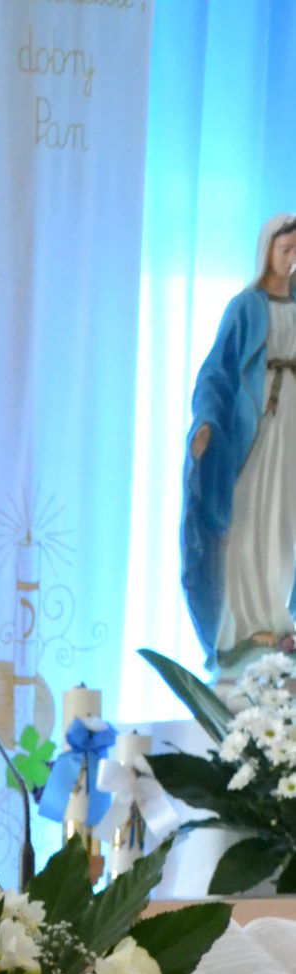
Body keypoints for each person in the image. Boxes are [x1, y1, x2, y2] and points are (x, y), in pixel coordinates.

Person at [183, 214, 296, 670]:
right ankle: (244, 623)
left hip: (292, 428)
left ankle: (279, 618)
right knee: (248, 517)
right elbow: (217, 372)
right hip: (252, 430)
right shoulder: (245, 307)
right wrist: (206, 422)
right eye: (286, 249)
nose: (292, 259)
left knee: (284, 521)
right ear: (267, 251)